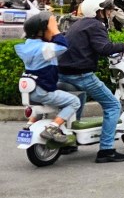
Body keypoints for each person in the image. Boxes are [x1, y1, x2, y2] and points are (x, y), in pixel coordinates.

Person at [58, 0, 124, 163]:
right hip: (80, 74)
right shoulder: (96, 25)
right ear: (98, 11)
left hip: (63, 73)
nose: (110, 13)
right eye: (108, 10)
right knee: (113, 105)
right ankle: (106, 150)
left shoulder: (79, 24)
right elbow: (104, 48)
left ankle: (69, 142)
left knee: (79, 97)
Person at [16, 12, 80, 143]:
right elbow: (63, 47)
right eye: (50, 29)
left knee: (46, 101)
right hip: (42, 91)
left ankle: (29, 124)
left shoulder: (29, 45)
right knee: (74, 101)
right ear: (41, 32)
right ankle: (52, 128)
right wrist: (55, 30)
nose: (54, 31)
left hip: (31, 91)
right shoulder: (44, 48)